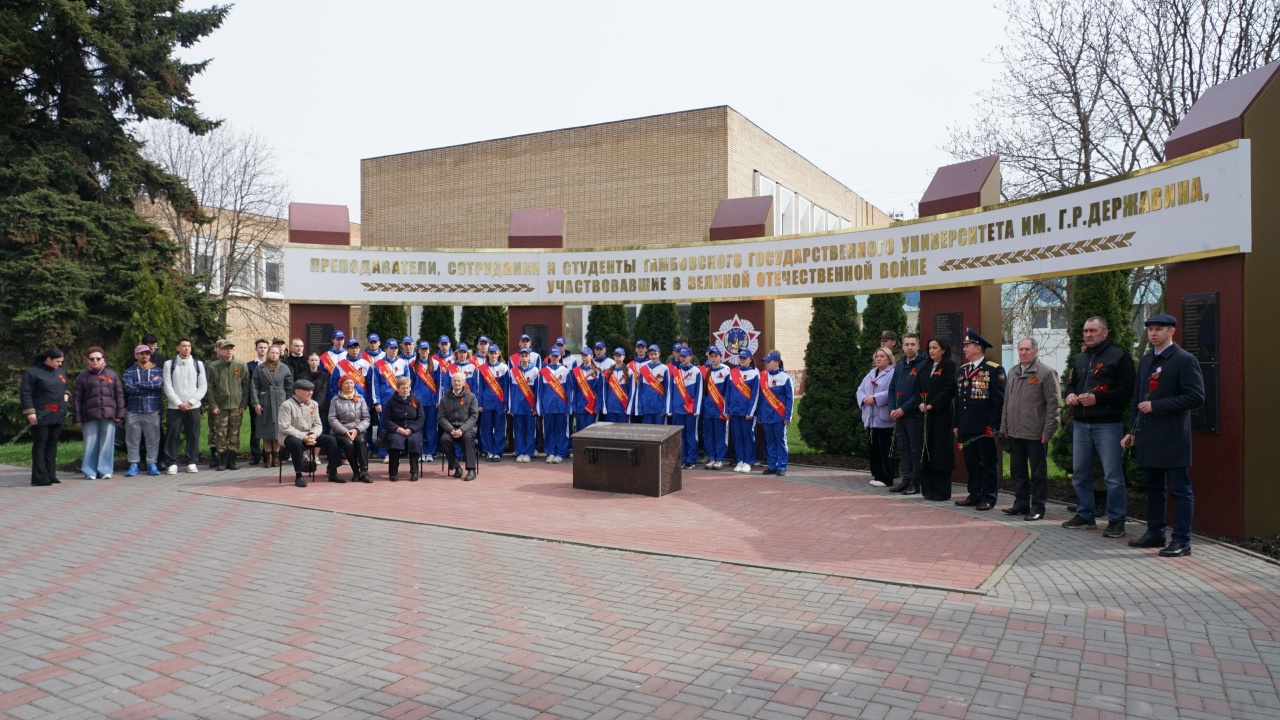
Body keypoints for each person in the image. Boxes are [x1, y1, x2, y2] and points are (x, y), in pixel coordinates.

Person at [1123, 313, 1205, 557]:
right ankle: (1155, 533)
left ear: (1172, 331)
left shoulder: (1184, 359)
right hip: (1149, 436)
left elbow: (1196, 396)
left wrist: (1158, 406)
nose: (1153, 333)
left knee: (1180, 490)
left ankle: (1182, 540)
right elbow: (1137, 399)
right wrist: (1131, 430)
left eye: (1159, 329)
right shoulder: (1146, 360)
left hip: (1173, 437)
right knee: (1153, 488)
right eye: (1150, 329)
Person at [1062, 316, 1136, 536]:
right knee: (1080, 474)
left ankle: (1116, 520)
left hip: (1108, 425)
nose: (1088, 335)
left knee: (1112, 476)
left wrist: (1098, 399)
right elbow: (1071, 384)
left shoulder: (1119, 357)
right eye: (1086, 331)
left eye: (1093, 331)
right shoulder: (1081, 358)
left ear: (1105, 332)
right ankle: (1086, 513)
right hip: (1081, 424)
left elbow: (1128, 389)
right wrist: (1070, 395)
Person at [1000, 338, 1061, 521]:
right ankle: (1021, 504)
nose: (1023, 353)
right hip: (1015, 432)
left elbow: (1054, 405)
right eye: (1021, 349)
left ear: (1036, 351)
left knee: (1038, 474)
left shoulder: (1046, 373)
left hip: (1036, 434)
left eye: (1027, 349)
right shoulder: (1012, 372)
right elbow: (1007, 403)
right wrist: (1004, 428)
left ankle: (1038, 507)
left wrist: (1048, 432)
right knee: (1017, 471)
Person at [953, 329, 1006, 511]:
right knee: (972, 462)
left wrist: (993, 425)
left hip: (985, 426)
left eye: (967, 345)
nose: (964, 349)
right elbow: (959, 400)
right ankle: (974, 494)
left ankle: (989, 496)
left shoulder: (993, 369)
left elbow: (999, 401)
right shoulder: (962, 370)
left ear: (978, 347)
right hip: (966, 425)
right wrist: (957, 424)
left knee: (988, 463)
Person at [72, 346, 125, 480]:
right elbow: (77, 399)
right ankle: (89, 471)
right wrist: (77, 417)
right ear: (88, 361)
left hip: (109, 414)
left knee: (107, 443)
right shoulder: (82, 377)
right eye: (92, 359)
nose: (95, 361)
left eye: (98, 358)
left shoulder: (112, 375)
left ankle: (105, 470)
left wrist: (119, 414)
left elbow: (119, 395)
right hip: (89, 415)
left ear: (103, 359)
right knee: (90, 443)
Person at [277, 379, 339, 488]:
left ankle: (333, 472)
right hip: (289, 436)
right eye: (307, 390)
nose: (310, 393)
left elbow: (318, 424)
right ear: (297, 391)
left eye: (311, 390)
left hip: (309, 435)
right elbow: (285, 427)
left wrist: (314, 435)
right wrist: (304, 437)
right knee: (296, 443)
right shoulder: (287, 405)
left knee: (331, 440)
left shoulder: (313, 404)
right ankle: (299, 476)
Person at [916, 338, 958, 501]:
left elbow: (950, 389)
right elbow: (917, 388)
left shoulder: (949, 366)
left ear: (943, 349)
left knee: (940, 452)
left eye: (935, 348)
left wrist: (932, 405)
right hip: (925, 416)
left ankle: (941, 491)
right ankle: (928, 489)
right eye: (930, 348)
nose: (931, 351)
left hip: (941, 415)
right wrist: (920, 403)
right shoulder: (925, 366)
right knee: (925, 451)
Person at [20, 348, 69, 486]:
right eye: (57, 361)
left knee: (52, 444)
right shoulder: (32, 372)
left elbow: (66, 386)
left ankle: (50, 474)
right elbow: (25, 393)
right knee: (40, 444)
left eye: (61, 361)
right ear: (48, 359)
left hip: (57, 413)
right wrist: (30, 412)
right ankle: (40, 477)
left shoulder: (60, 372)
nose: (60, 364)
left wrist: (66, 395)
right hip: (40, 414)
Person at [888, 333, 927, 494]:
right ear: (902, 346)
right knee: (903, 449)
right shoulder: (900, 365)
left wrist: (903, 409)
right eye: (906, 344)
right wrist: (892, 408)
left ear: (918, 345)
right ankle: (906, 479)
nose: (909, 347)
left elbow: (920, 392)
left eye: (912, 344)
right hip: (898, 415)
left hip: (913, 415)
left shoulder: (923, 364)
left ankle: (915, 482)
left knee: (914, 449)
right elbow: (892, 389)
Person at [162, 338, 206, 475]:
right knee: (172, 434)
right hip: (175, 407)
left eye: (189, 346)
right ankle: (172, 463)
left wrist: (191, 402)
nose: (187, 348)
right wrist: (178, 403)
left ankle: (191, 462)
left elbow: (203, 386)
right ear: (178, 348)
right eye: (184, 346)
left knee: (193, 434)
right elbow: (167, 386)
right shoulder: (169, 364)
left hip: (193, 407)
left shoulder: (198, 364)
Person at [206, 340, 250, 471]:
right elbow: (210, 387)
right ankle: (222, 459)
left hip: (236, 405)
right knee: (220, 432)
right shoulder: (214, 366)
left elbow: (245, 386)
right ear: (221, 350)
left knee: (234, 432)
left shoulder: (241, 365)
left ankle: (232, 459)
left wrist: (243, 404)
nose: (229, 350)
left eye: (231, 348)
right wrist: (213, 405)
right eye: (226, 348)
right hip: (221, 406)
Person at [122, 345, 164, 476]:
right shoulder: (129, 372)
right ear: (136, 355)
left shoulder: (157, 370)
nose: (144, 356)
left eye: (147, 353)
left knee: (153, 439)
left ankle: (152, 463)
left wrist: (138, 384)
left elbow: (158, 385)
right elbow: (128, 388)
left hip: (152, 409)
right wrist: (149, 384)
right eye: (141, 353)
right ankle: (133, 464)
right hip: (134, 410)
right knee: (132, 439)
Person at [858, 347, 896, 487]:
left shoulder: (892, 373)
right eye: (877, 356)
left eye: (882, 356)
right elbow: (860, 389)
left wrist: (875, 398)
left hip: (884, 419)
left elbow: (891, 392)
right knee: (874, 449)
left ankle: (886, 477)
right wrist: (864, 399)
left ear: (889, 359)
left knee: (885, 449)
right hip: (871, 418)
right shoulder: (871, 374)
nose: (879, 359)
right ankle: (877, 475)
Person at [250, 344, 293, 467]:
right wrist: (256, 403)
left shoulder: (284, 368)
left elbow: (290, 387)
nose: (274, 355)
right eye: (272, 353)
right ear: (268, 353)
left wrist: (288, 403)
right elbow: (254, 387)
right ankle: (268, 457)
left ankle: (276, 456)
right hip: (265, 401)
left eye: (277, 353)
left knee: (277, 430)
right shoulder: (260, 368)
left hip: (280, 402)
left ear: (280, 355)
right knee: (266, 430)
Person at [369, 338, 409, 463]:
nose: (394, 350)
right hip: (384, 401)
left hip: (399, 400)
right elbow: (375, 385)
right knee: (384, 426)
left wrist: (407, 398)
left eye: (395, 348)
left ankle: (397, 451)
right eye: (391, 348)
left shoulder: (403, 363)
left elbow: (407, 383)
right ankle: (384, 452)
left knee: (399, 425)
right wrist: (377, 402)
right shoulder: (379, 365)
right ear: (386, 349)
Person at [329, 374, 372, 482]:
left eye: (351, 383)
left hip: (358, 429)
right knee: (349, 444)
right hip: (341, 431)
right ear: (341, 385)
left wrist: (357, 429)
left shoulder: (360, 399)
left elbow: (366, 418)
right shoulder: (335, 400)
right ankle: (356, 472)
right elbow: (332, 419)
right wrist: (344, 431)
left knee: (361, 441)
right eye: (346, 383)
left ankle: (364, 472)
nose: (349, 385)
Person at [438, 371, 480, 480]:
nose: (457, 383)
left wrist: (462, 429)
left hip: (467, 428)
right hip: (451, 429)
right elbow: (441, 418)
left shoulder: (471, 397)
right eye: (454, 381)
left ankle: (471, 470)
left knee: (468, 437)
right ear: (451, 382)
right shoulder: (445, 399)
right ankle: (457, 467)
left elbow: (474, 416)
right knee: (444, 439)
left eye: (459, 381)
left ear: (463, 382)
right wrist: (451, 429)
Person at [382, 377, 425, 481]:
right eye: (403, 388)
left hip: (412, 428)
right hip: (397, 428)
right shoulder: (391, 401)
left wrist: (411, 429)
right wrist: (397, 429)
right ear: (398, 389)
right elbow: (387, 420)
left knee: (414, 441)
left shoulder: (416, 400)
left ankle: (414, 472)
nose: (406, 390)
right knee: (395, 441)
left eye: (407, 388)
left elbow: (421, 418)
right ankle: (393, 472)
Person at [758, 351, 793, 476]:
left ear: (776, 363)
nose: (766, 364)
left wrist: (788, 415)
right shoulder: (763, 378)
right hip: (766, 415)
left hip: (779, 416)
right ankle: (772, 465)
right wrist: (760, 414)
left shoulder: (785, 378)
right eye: (766, 362)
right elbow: (761, 399)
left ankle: (782, 466)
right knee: (770, 442)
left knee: (781, 441)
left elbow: (790, 399)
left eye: (769, 361)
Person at [727, 349, 760, 473]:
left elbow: (755, 395)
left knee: (748, 436)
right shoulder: (732, 373)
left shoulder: (754, 373)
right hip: (734, 411)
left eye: (745, 358)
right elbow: (728, 393)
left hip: (747, 413)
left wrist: (750, 412)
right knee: (737, 436)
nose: (742, 360)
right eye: (740, 357)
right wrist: (727, 410)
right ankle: (740, 460)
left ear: (750, 359)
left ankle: (749, 461)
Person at [670, 346, 703, 469]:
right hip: (677, 409)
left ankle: (691, 459)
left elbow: (699, 392)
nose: (682, 358)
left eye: (685, 356)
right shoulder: (675, 372)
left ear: (691, 357)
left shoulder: (696, 371)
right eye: (681, 356)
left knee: (691, 435)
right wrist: (670, 409)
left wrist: (697, 409)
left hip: (690, 410)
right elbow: (670, 392)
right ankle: (682, 458)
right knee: (680, 436)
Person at [475, 345, 509, 461]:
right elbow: (480, 387)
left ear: (498, 354)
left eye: (495, 353)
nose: (493, 355)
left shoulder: (504, 368)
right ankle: (488, 451)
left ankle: (497, 452)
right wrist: (480, 404)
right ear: (488, 354)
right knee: (486, 429)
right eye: (491, 353)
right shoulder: (482, 368)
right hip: (486, 404)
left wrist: (505, 404)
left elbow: (506, 387)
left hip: (500, 404)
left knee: (499, 429)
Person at [538, 347, 572, 463]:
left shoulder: (565, 371)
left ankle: (561, 453)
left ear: (560, 356)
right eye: (553, 356)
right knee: (549, 430)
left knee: (561, 430)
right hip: (548, 407)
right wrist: (541, 407)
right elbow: (540, 391)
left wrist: (568, 407)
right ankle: (550, 452)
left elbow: (569, 392)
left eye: (557, 356)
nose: (555, 358)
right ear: (550, 356)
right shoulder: (543, 372)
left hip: (561, 407)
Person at [409, 341, 441, 463]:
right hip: (418, 402)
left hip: (432, 402)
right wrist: (411, 399)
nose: (424, 351)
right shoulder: (413, 364)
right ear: (418, 351)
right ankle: (421, 451)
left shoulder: (436, 364)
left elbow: (439, 383)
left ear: (429, 350)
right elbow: (411, 384)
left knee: (431, 428)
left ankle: (430, 452)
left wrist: (438, 399)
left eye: (426, 349)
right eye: (422, 349)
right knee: (419, 428)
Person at [700, 346, 731, 470]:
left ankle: (720, 459)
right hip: (708, 408)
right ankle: (712, 457)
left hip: (720, 408)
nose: (713, 359)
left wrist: (726, 408)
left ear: (721, 357)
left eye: (716, 356)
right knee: (709, 434)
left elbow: (728, 392)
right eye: (711, 357)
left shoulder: (726, 371)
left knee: (720, 434)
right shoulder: (707, 372)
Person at [508, 348, 540, 462]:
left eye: (526, 356)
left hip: (530, 406)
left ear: (529, 357)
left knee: (530, 430)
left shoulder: (535, 371)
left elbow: (537, 390)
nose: (524, 358)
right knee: (518, 430)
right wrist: (511, 407)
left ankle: (529, 453)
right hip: (517, 406)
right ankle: (520, 452)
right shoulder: (513, 371)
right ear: (519, 357)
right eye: (522, 356)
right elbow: (510, 390)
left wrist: (536, 407)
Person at [245, 338, 270, 464]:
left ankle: (267, 454)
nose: (262, 350)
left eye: (265, 348)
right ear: (256, 349)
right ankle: (255, 455)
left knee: (268, 427)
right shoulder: (249, 366)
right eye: (260, 347)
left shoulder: (272, 364)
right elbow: (249, 385)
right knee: (255, 428)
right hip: (255, 400)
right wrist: (254, 402)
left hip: (269, 401)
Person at [635, 344, 670, 425]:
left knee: (660, 431)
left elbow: (668, 390)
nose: (653, 356)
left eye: (655, 354)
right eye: (651, 354)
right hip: (646, 407)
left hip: (659, 407)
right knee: (647, 431)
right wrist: (639, 407)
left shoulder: (664, 368)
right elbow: (640, 390)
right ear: (648, 355)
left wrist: (665, 408)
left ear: (659, 354)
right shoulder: (643, 369)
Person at [570, 346, 599, 435]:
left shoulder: (597, 372)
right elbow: (574, 390)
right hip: (580, 405)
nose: (584, 357)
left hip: (592, 405)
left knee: (591, 431)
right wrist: (574, 405)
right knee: (580, 430)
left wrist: (597, 406)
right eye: (582, 355)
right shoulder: (576, 371)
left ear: (591, 356)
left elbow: (599, 391)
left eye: (586, 355)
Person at [602, 348, 631, 424]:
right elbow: (604, 391)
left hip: (623, 408)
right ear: (614, 356)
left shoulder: (629, 372)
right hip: (611, 407)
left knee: (623, 430)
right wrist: (605, 407)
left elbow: (632, 391)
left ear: (624, 357)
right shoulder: (608, 372)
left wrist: (630, 408)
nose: (618, 357)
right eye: (616, 355)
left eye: (620, 355)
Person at [627, 340, 648, 422]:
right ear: (635, 349)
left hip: (645, 397)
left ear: (646, 349)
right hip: (633, 398)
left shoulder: (650, 363)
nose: (640, 350)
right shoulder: (629, 365)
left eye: (642, 348)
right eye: (638, 348)